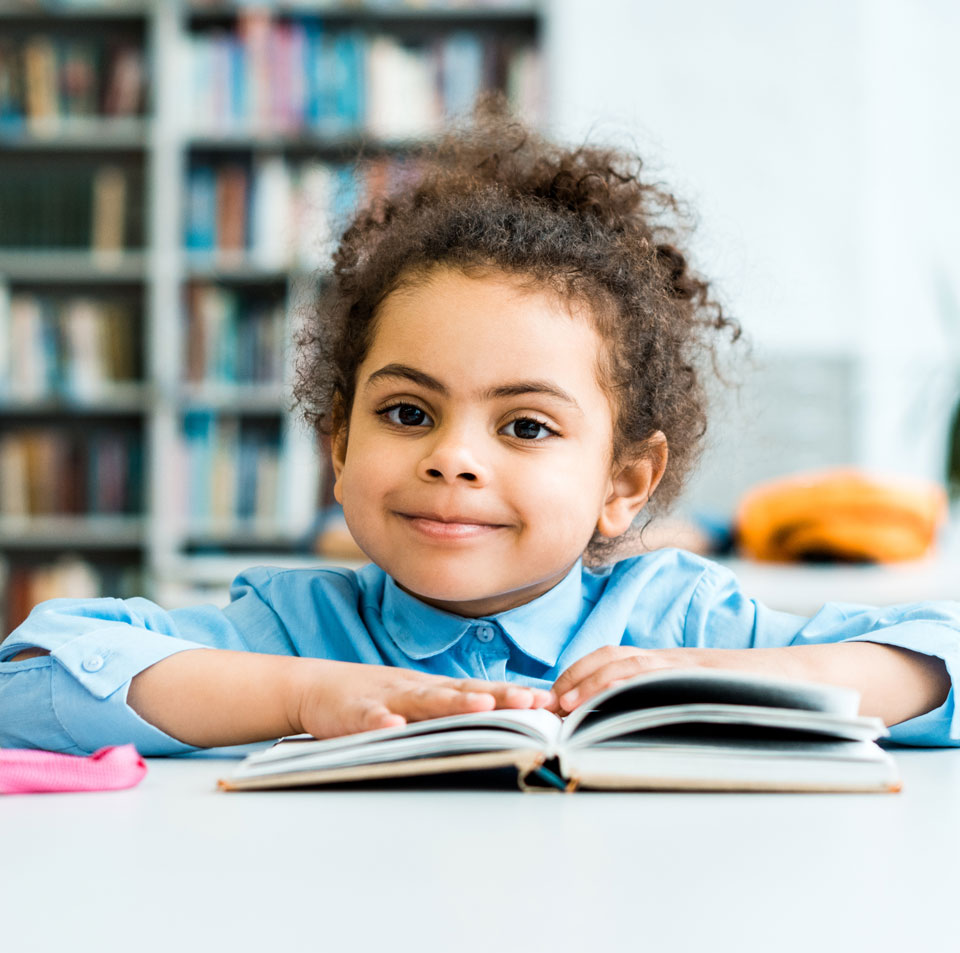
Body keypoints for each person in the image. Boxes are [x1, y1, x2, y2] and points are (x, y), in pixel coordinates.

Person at [1, 102, 957, 756]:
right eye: (407, 413)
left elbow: (939, 659)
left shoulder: (684, 621)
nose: (452, 458)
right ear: (340, 446)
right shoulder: (290, 631)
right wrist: (301, 697)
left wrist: (721, 675)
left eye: (528, 426)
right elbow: (31, 677)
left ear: (623, 484)